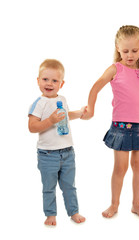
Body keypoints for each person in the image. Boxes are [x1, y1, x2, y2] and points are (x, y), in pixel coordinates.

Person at [81, 25, 139, 218]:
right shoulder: (116, 68)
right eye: (125, 51)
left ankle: (136, 204)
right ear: (117, 48)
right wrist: (91, 109)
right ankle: (114, 204)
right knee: (120, 167)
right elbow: (95, 87)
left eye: (134, 50)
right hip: (121, 127)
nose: (130, 55)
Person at [28, 59, 86, 225]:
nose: (49, 84)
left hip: (67, 152)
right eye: (45, 79)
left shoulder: (62, 98)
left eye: (55, 80)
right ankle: (50, 215)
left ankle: (73, 212)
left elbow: (66, 115)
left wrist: (80, 113)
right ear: (38, 80)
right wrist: (50, 120)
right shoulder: (39, 104)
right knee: (49, 187)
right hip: (48, 154)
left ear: (62, 83)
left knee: (69, 186)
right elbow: (32, 127)